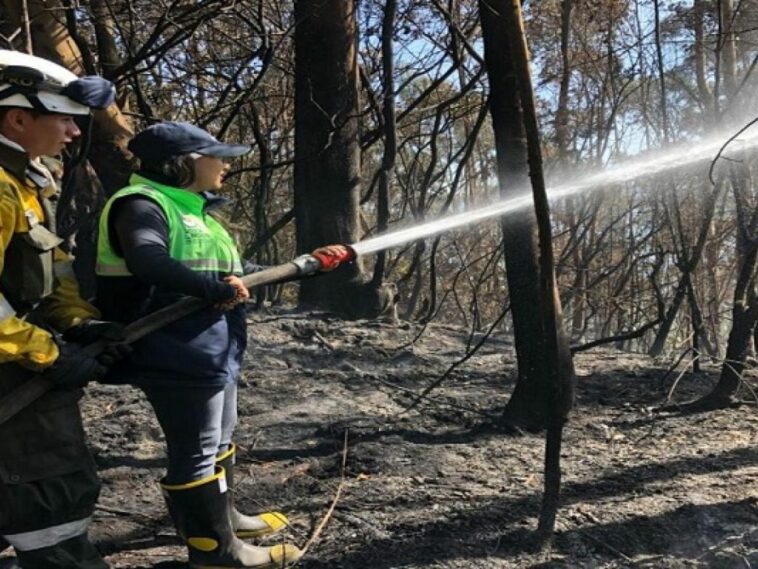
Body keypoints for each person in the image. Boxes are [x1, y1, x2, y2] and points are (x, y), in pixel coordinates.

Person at [95, 122, 349, 569]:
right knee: (196, 446)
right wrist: (210, 289)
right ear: (187, 162)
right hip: (172, 345)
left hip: (213, 344)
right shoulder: (141, 204)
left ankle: (224, 520)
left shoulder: (195, 212)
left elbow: (236, 271)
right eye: (219, 155)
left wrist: (306, 266)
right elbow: (146, 258)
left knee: (220, 434)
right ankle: (215, 552)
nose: (227, 164)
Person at [0, 50, 119, 568]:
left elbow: (52, 269)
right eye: (63, 117)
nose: (74, 133)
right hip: (13, 375)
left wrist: (81, 322)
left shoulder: (27, 181)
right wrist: (49, 353)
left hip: (19, 365)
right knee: (49, 495)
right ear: (18, 117)